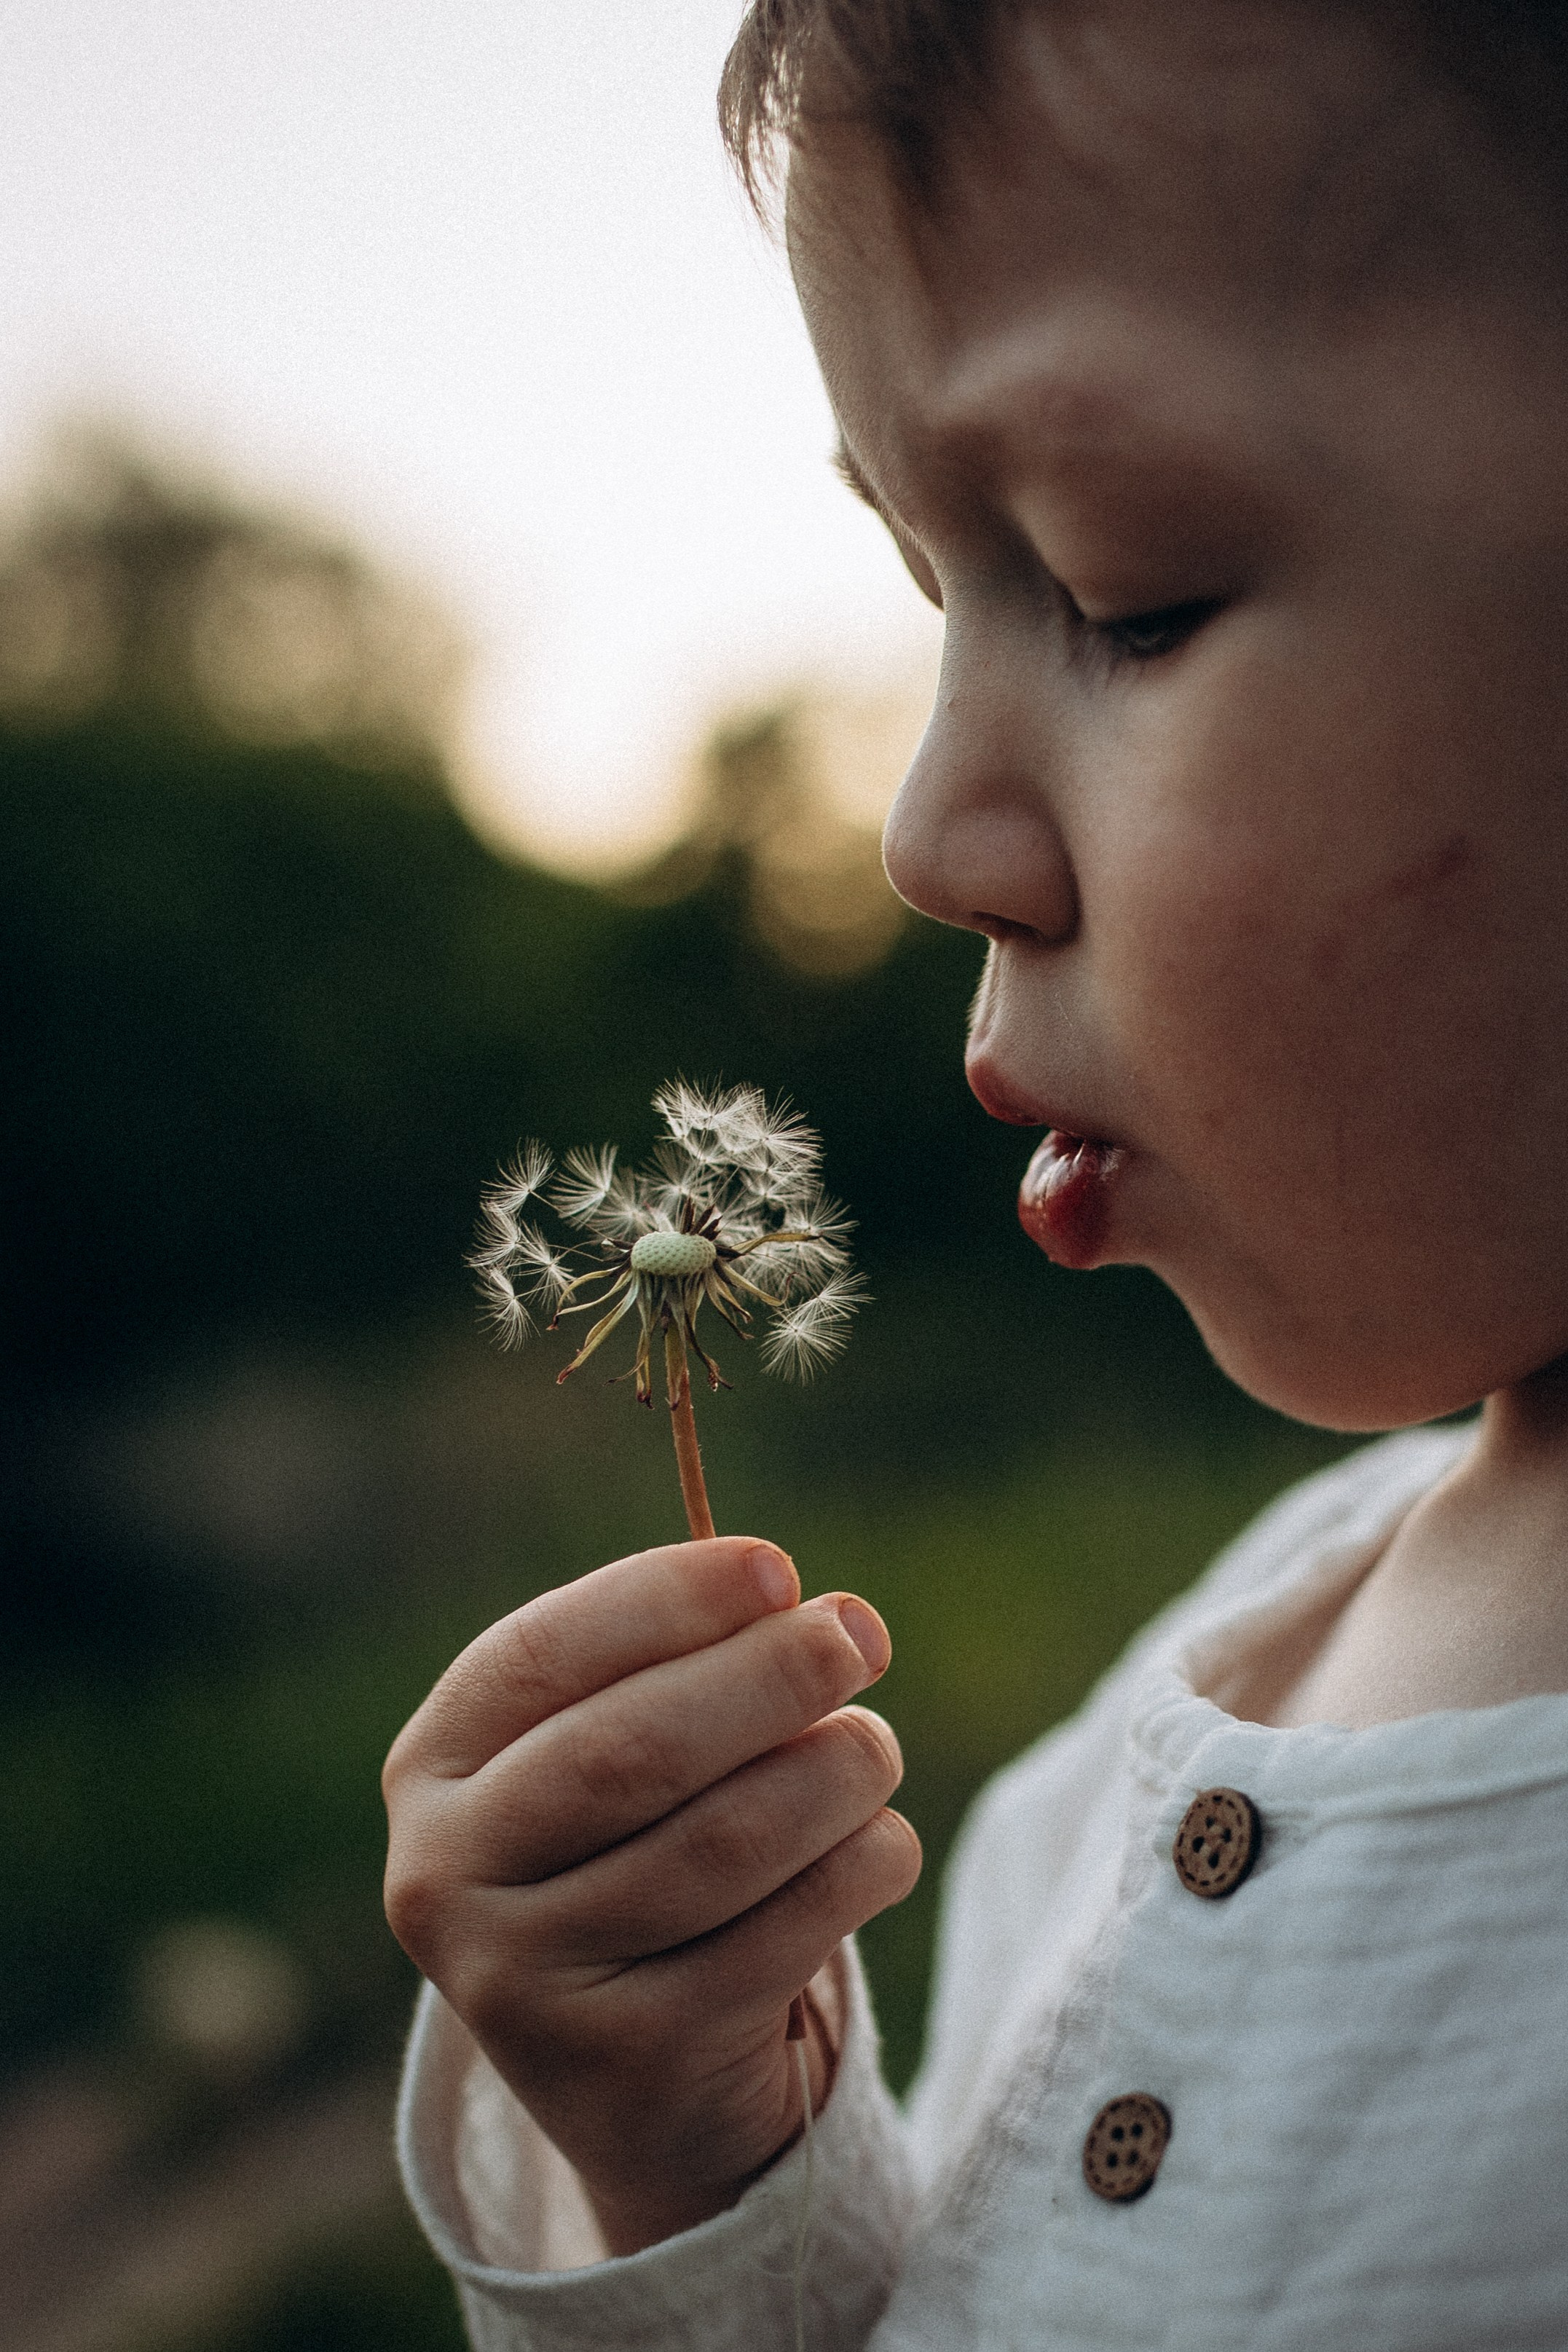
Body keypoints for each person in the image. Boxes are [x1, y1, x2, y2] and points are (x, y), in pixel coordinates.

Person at [381, 4, 1568, 2342]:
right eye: (940, 600)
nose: (927, 837)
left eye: (1124, 595)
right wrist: (691, 2169)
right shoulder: (1166, 1722)